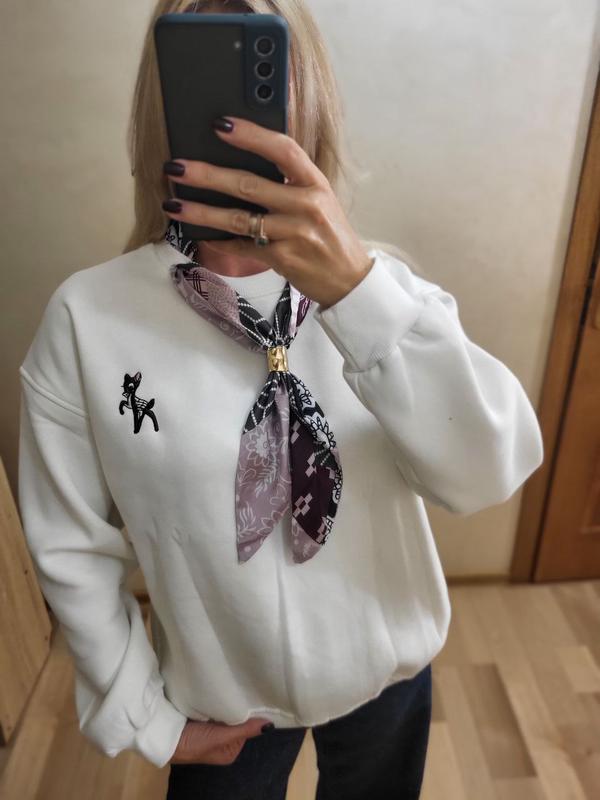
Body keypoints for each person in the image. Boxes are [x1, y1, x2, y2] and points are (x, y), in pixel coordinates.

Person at [17, 0, 545, 798]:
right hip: (224, 706)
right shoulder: (88, 323)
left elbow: (485, 473)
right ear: (163, 109)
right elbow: (71, 546)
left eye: (264, 74)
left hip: (388, 680)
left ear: (312, 101)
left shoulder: (389, 297)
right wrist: (143, 718)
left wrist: (359, 297)